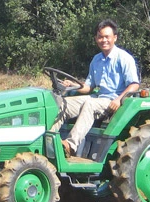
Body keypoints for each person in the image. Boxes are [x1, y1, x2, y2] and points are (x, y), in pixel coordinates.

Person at [51, 19, 140, 157]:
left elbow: (134, 84)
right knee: (64, 103)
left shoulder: (124, 58)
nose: (103, 40)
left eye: (107, 37)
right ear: (96, 38)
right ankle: (49, 140)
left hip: (112, 101)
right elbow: (89, 87)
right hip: (98, 97)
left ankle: (70, 145)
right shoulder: (96, 60)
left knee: (90, 104)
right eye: (100, 37)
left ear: (114, 38)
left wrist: (119, 99)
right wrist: (72, 85)